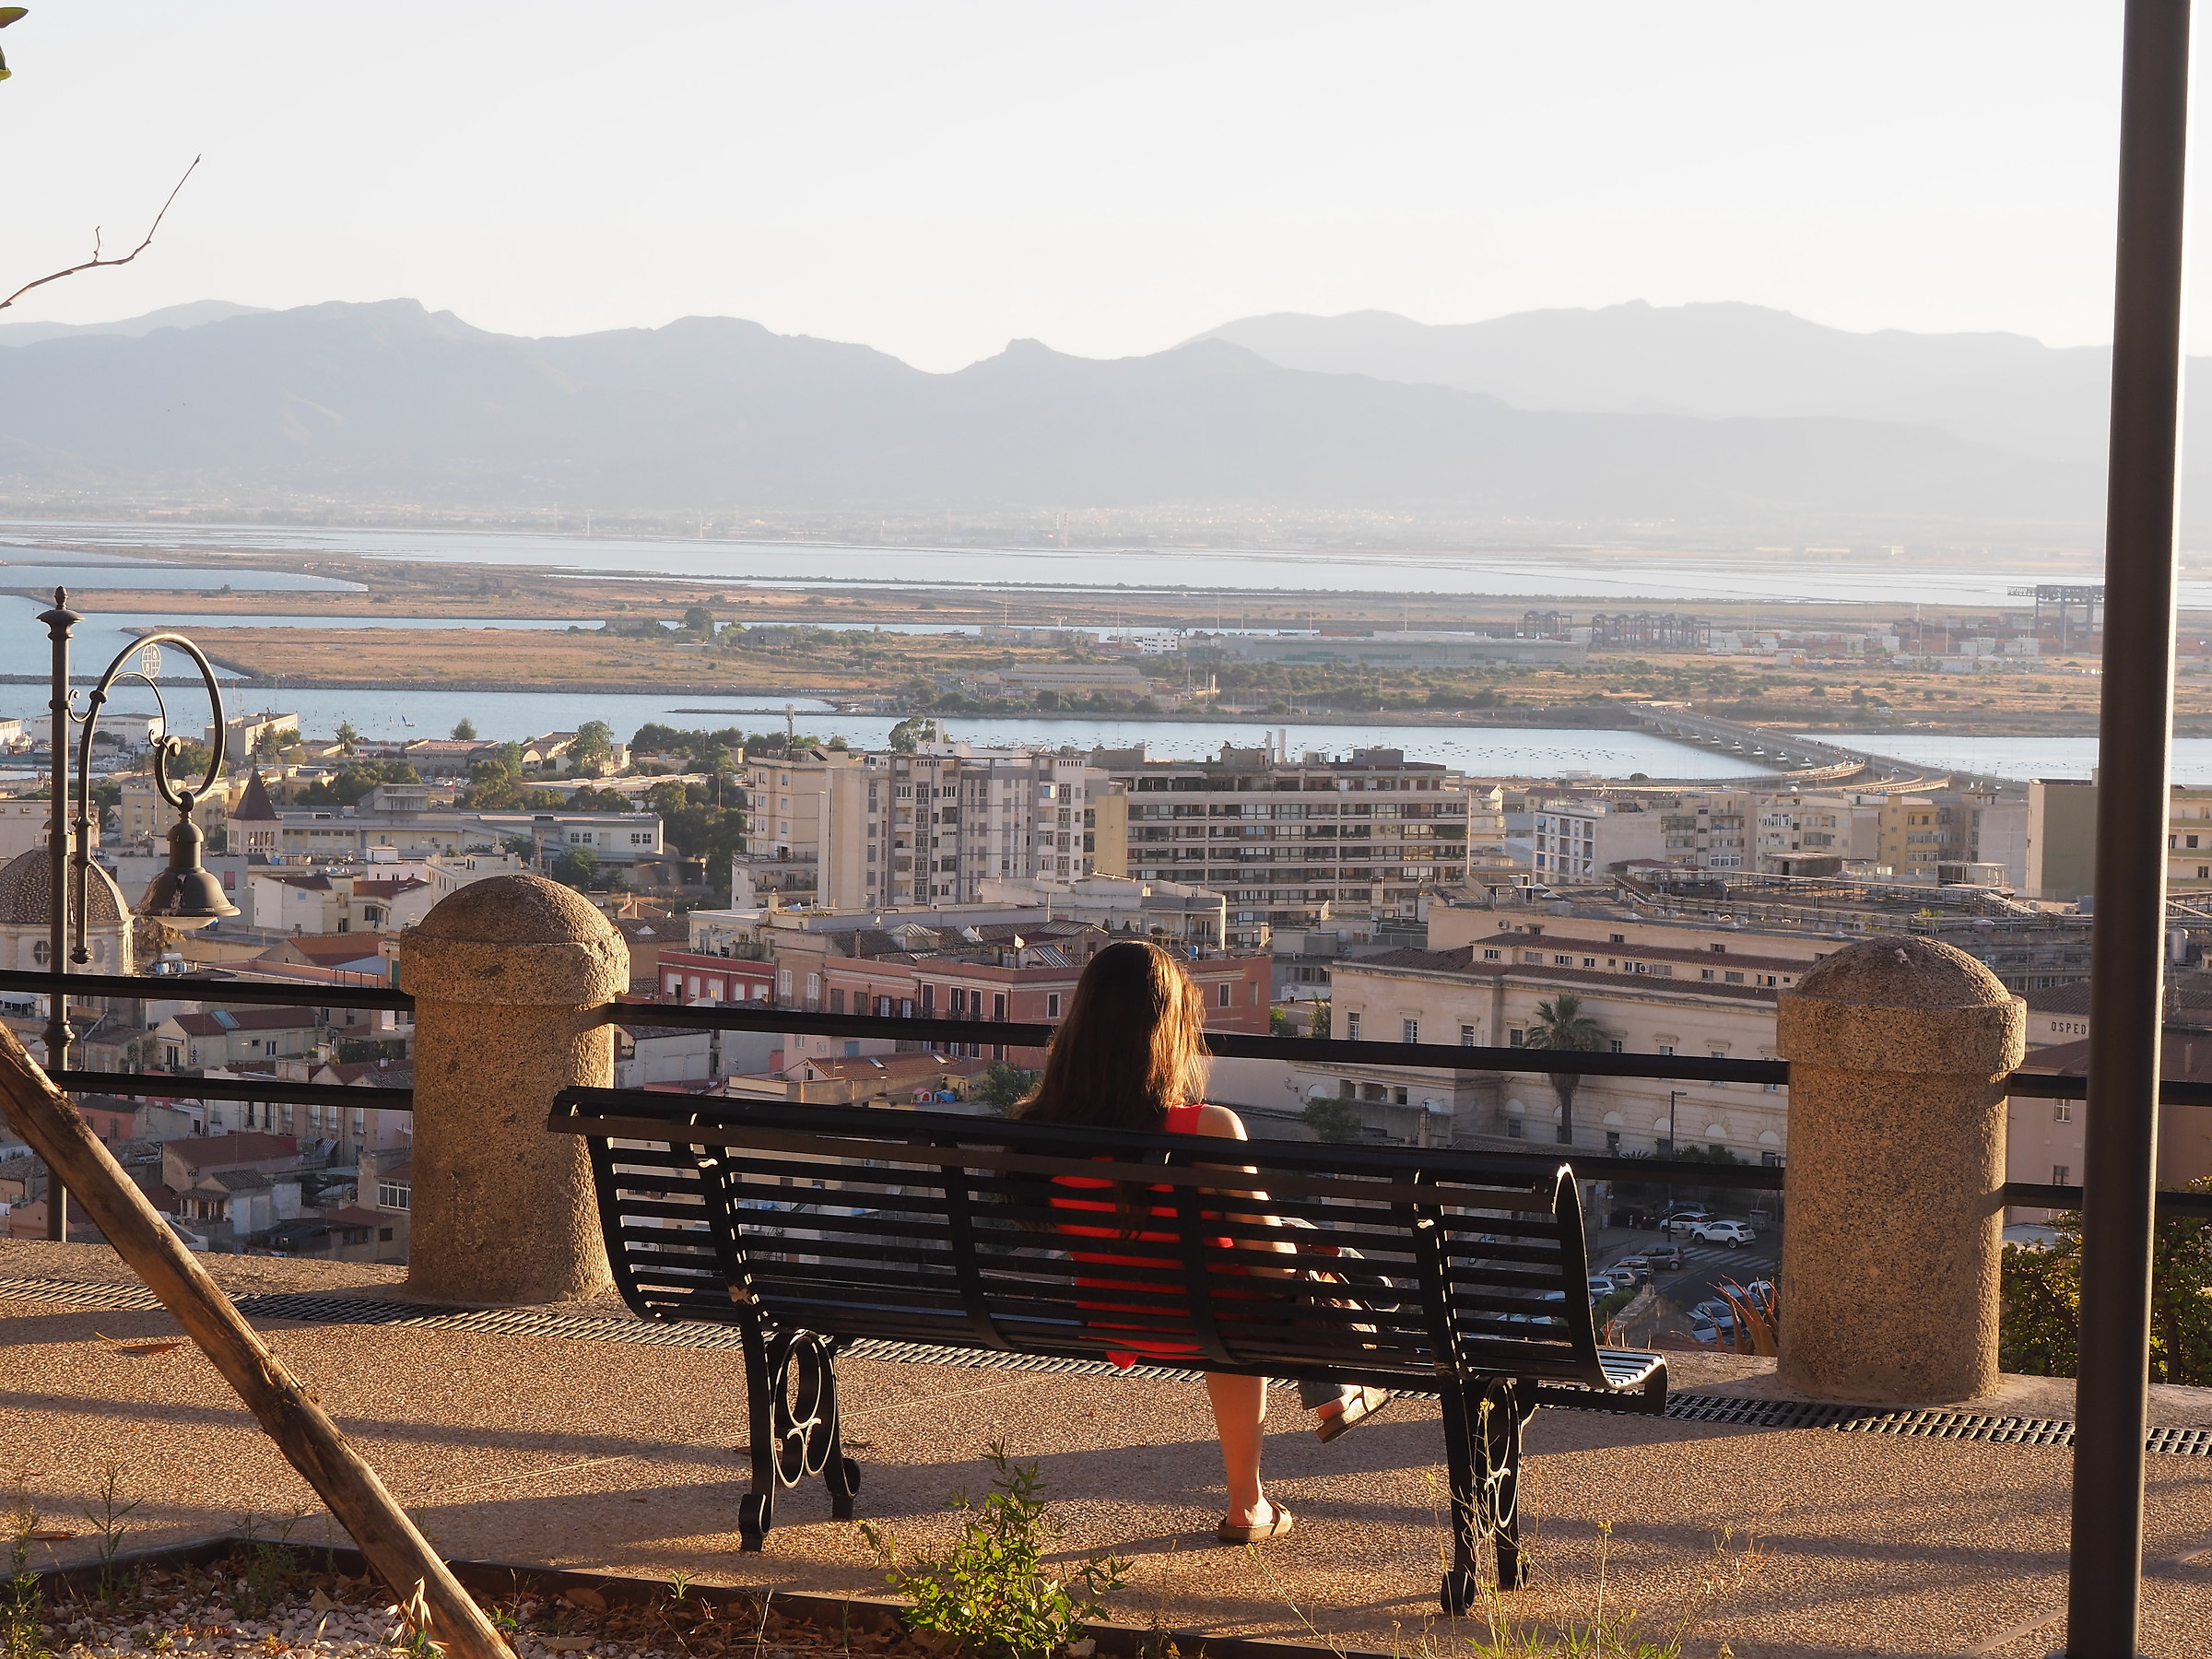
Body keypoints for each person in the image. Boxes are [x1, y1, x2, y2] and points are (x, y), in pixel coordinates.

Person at [1017, 939, 1391, 1544]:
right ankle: (1272, 1471)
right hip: (1205, 1323)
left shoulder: (1040, 1130)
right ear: (1166, 1033)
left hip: (1109, 1313)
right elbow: (1270, 1274)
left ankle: (1329, 1399)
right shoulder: (1208, 1127)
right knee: (1303, 1253)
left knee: (1251, 1267)